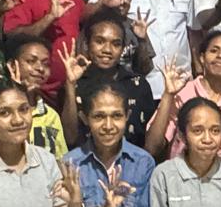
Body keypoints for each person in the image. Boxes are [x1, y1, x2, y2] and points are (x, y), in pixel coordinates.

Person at [59, 10, 159, 153]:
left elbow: (150, 143)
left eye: (116, 44)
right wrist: (70, 85)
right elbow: (70, 138)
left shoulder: (137, 85)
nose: (107, 49)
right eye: (99, 42)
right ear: (87, 44)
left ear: (123, 48)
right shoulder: (76, 83)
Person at [3, 0, 85, 102]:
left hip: (69, 89)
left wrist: (103, 5)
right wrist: (49, 18)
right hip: (34, 91)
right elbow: (13, 36)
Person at [160, 30, 221, 165]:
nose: (220, 56)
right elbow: (153, 146)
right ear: (202, 58)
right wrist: (168, 95)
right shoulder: (181, 93)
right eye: (214, 51)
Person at [0, 34, 69, 157]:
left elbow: (60, 160)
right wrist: (17, 91)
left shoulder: (50, 115)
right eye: (31, 61)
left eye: (46, 64)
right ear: (12, 66)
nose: (40, 68)